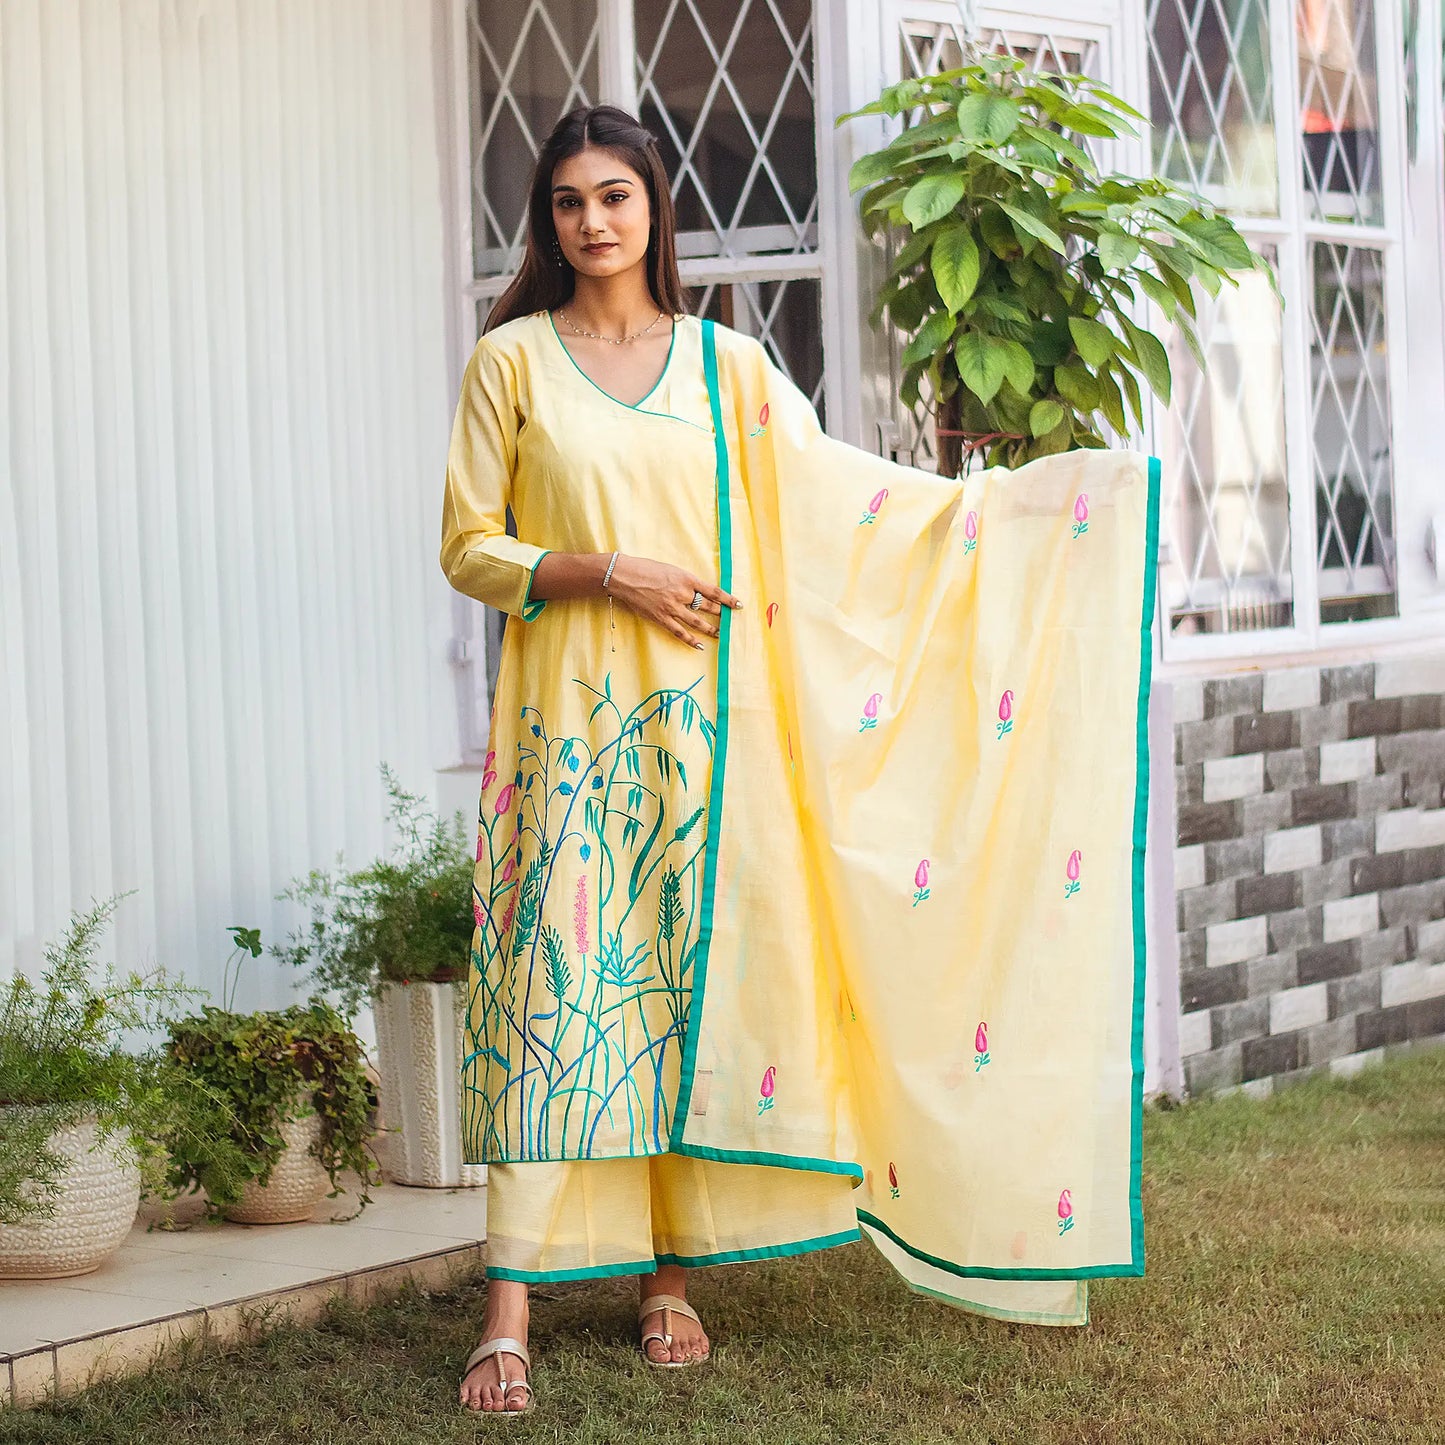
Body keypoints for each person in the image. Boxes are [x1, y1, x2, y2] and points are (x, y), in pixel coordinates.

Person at [441, 105, 1158, 1416]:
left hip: (719, 740)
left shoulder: (729, 370)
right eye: (564, 203)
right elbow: (467, 546)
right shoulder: (514, 365)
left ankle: (667, 1278)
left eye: (613, 196)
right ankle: (508, 1308)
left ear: (656, 211)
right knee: (556, 994)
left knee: (678, 992)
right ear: (546, 223)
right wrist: (606, 571)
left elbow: (840, 497)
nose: (589, 221)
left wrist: (1015, 511)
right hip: (567, 735)